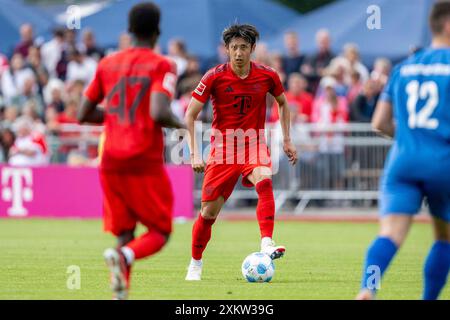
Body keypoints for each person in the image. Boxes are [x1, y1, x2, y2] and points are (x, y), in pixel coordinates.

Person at [78, 1, 184, 300]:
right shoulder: (163, 64)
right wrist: (184, 126)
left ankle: (120, 294)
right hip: (143, 160)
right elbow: (158, 111)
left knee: (124, 233)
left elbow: (83, 113)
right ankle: (124, 257)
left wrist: (114, 115)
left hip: (110, 159)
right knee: (160, 231)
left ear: (129, 30)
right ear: (157, 31)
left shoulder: (107, 64)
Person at [184, 23, 298, 281]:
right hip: (223, 149)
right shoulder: (214, 76)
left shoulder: (268, 75)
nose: (238, 53)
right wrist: (194, 154)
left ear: (252, 49)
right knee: (208, 214)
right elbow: (190, 115)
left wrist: (287, 139)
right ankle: (195, 263)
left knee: (265, 178)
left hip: (253, 143)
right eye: (234, 47)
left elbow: (283, 103)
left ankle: (266, 242)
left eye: (243, 47)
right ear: (227, 49)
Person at [356, 1, 450, 300]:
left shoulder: (403, 67)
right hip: (442, 162)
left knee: (390, 235)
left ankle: (367, 290)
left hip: (403, 162)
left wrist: (411, 137)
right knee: (445, 239)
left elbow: (380, 122)